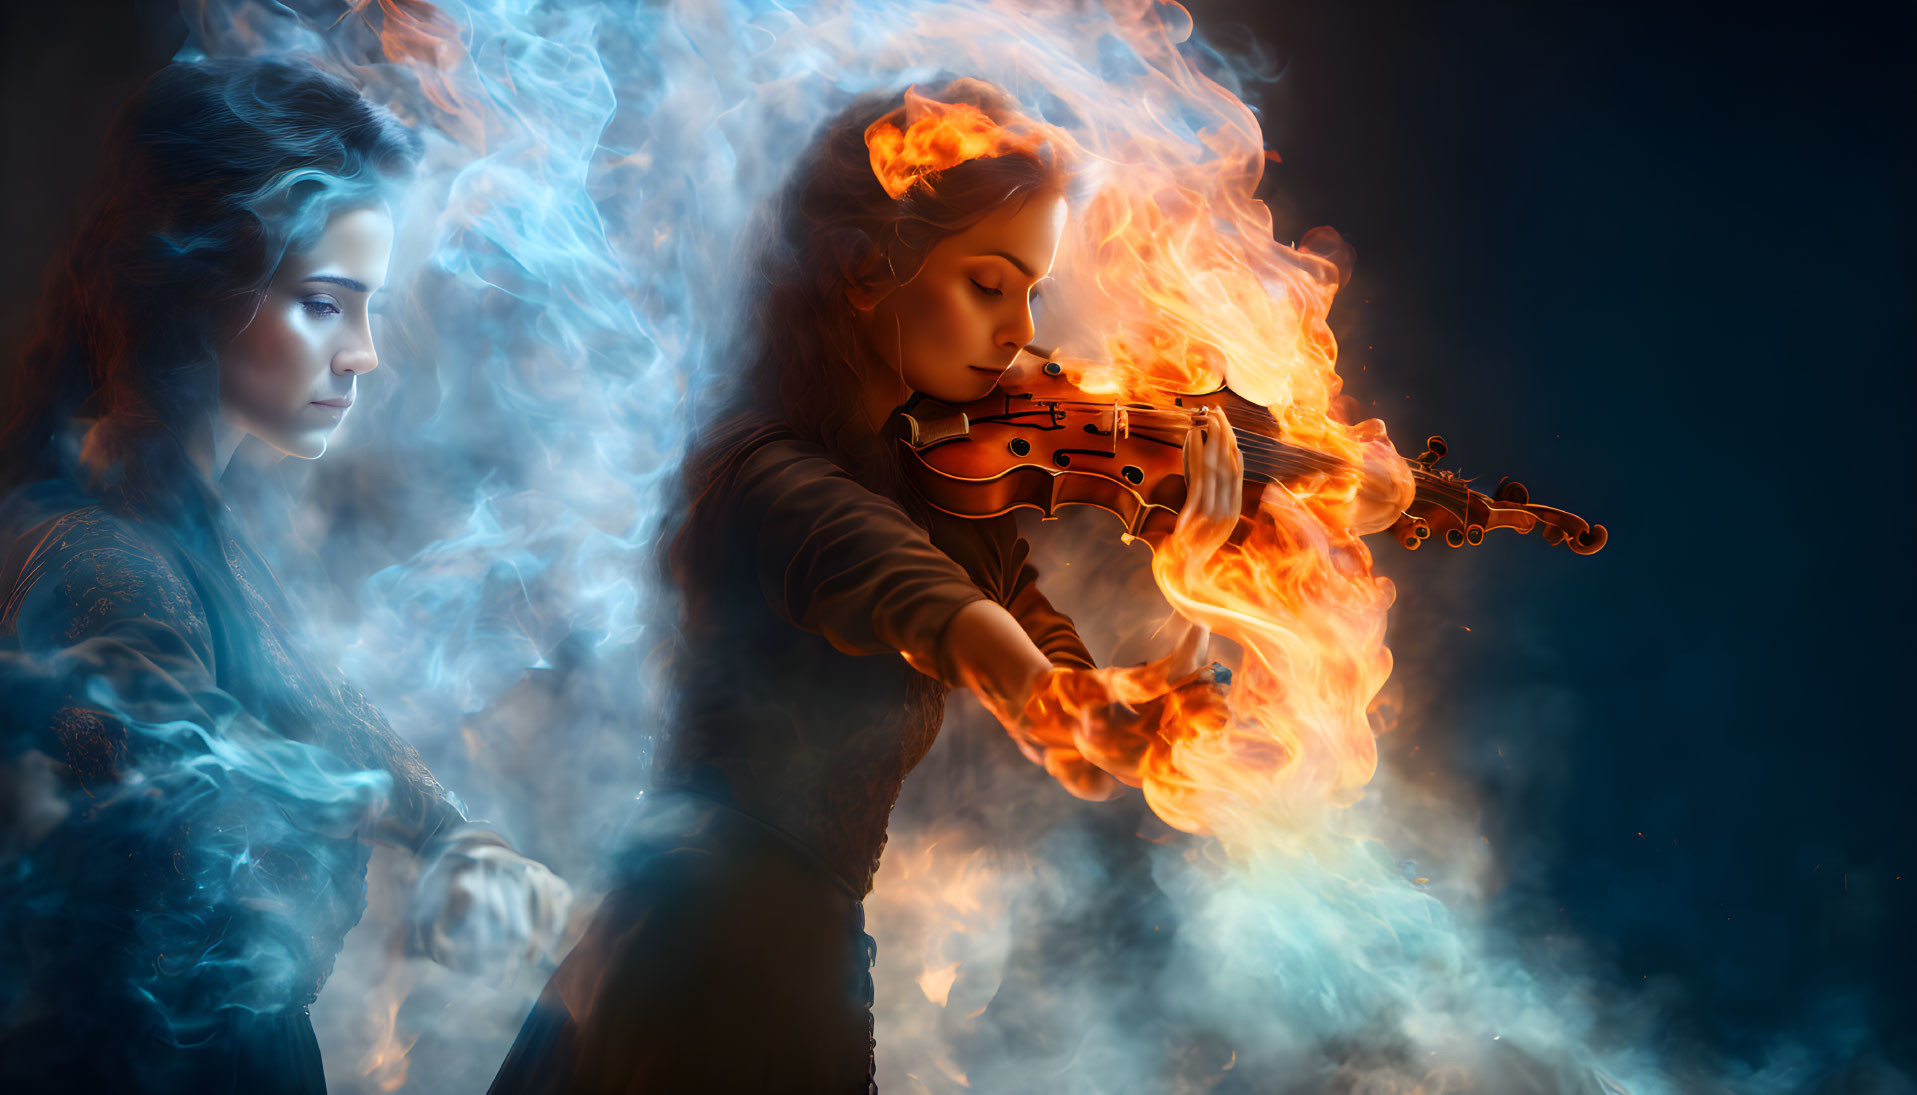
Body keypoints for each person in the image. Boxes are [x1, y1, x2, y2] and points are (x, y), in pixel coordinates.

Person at [487, 79, 1240, 1094]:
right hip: (710, 965)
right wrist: (1058, 703)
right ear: (862, 272)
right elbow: (919, 598)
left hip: (788, 959)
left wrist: (1108, 699)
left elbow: (1038, 659)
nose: (1021, 329)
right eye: (988, 283)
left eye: (1033, 293)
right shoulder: (769, 477)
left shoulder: (940, 484)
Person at [0, 59, 566, 1094]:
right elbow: (190, 809)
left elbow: (314, 702)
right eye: (322, 305)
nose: (363, 355)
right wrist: (423, 865)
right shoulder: (102, 558)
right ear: (192, 292)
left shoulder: (177, 514)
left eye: (369, 309)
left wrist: (448, 831)